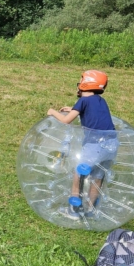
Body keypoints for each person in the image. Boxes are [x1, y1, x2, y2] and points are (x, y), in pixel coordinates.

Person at [47, 70, 118, 220]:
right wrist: (73, 110)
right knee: (97, 177)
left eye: (81, 81)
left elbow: (66, 121)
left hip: (95, 145)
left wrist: (53, 112)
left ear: (86, 83)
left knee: (78, 172)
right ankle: (91, 211)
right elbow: (92, 113)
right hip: (112, 143)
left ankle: (73, 211)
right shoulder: (100, 100)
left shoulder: (83, 101)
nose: (78, 85)